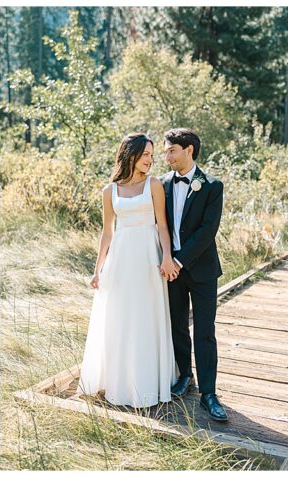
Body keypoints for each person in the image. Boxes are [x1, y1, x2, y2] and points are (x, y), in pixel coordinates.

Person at [79, 133, 178, 408]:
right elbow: (107, 232)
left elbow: (161, 226)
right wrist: (98, 270)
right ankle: (118, 381)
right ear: (131, 154)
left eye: (152, 155)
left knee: (146, 317)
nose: (150, 159)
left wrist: (167, 257)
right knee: (119, 318)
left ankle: (147, 381)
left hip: (148, 258)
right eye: (145, 154)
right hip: (120, 260)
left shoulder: (154, 185)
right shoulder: (109, 191)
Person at [160, 128, 227, 422]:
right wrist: (167, 262)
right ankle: (184, 376)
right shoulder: (161, 184)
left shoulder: (212, 186)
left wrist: (179, 261)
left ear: (189, 150)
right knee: (177, 326)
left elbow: (206, 233)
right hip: (171, 271)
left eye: (171, 150)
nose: (167, 156)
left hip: (200, 270)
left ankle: (209, 394)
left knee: (204, 331)